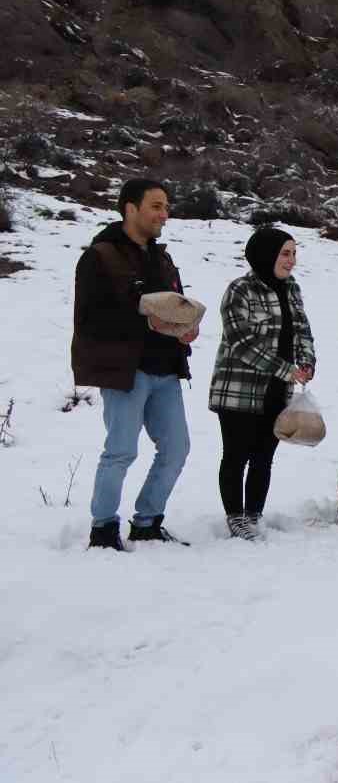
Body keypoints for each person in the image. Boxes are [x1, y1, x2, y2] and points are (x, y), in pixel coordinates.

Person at [73, 178, 198, 550]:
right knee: (121, 451)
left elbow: (174, 305)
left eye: (166, 206)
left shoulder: (162, 258)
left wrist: (184, 330)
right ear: (130, 208)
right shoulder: (100, 256)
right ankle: (103, 529)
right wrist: (146, 320)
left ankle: (147, 522)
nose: (165, 214)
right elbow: (90, 318)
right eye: (156, 206)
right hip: (125, 370)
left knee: (177, 449)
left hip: (166, 369)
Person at [209, 228, 316, 540]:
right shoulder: (239, 290)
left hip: (276, 391)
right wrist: (285, 369)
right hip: (238, 390)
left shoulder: (291, 288)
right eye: (285, 253)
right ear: (266, 253)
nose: (292, 260)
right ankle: (235, 516)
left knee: (264, 456)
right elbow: (240, 341)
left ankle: (254, 514)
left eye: (294, 253)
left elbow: (302, 330)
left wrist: (306, 362)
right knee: (236, 454)